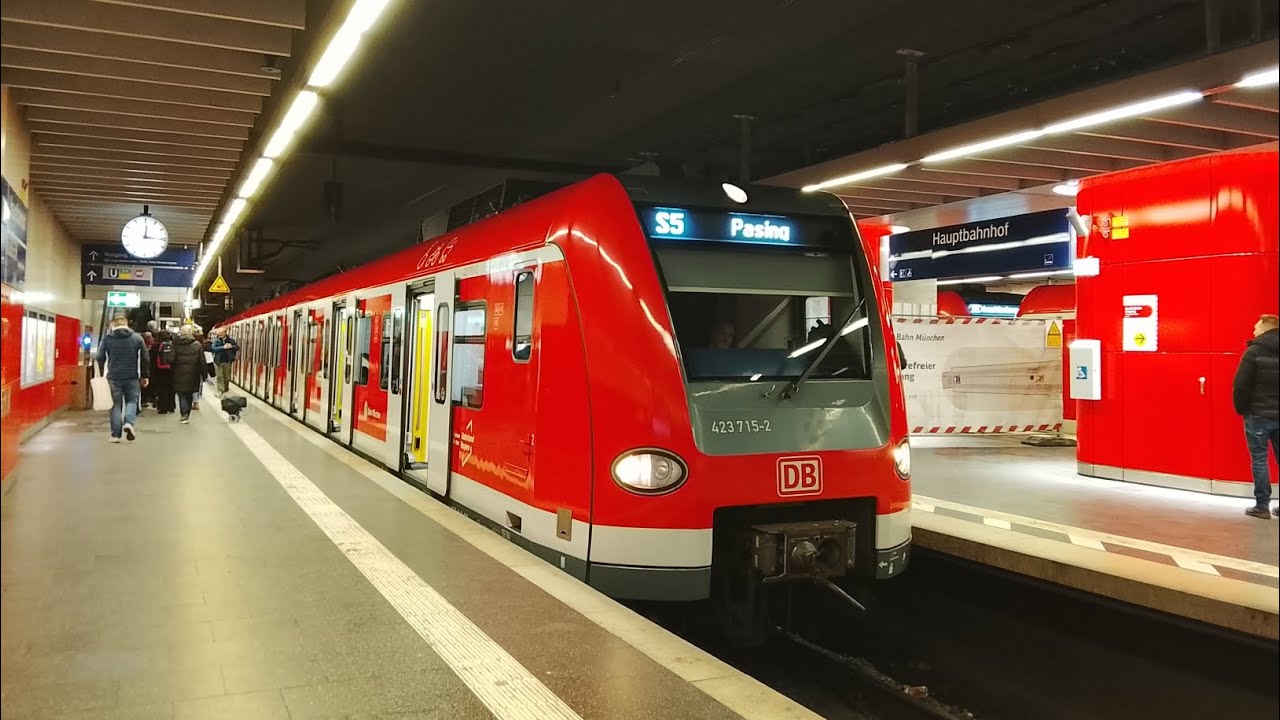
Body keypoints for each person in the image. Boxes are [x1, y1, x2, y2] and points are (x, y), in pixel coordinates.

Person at [1233, 313, 1279, 519]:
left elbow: (1241, 385)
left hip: (1258, 415)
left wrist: (1242, 410)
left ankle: (1262, 506)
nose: (1254, 331)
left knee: (1259, 460)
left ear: (1266, 328)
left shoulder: (1254, 351)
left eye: (1256, 327)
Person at [96, 313, 150, 443]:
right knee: (132, 401)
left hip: (113, 376)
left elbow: (99, 357)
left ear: (113, 325)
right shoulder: (137, 338)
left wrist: (102, 370)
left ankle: (115, 435)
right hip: (132, 376)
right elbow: (145, 358)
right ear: (126, 325)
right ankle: (129, 423)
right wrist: (145, 376)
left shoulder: (108, 339)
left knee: (115, 405)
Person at [171, 325, 207, 424]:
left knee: (181, 394)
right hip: (193, 374)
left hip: (178, 373)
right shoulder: (197, 345)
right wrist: (204, 375)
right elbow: (202, 361)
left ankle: (184, 414)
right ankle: (187, 413)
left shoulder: (175, 344)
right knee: (190, 394)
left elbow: (171, 359)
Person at [152, 330, 177, 414]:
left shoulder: (156, 346)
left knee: (162, 388)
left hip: (160, 370)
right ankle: (171, 406)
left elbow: (152, 359)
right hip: (171, 368)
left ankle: (163, 407)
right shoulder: (173, 345)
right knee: (171, 387)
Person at [211, 328, 239, 395]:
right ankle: (220, 390)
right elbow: (213, 349)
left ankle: (225, 389)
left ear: (225, 333)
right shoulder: (216, 341)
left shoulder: (230, 340)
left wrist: (231, 346)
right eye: (219, 332)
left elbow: (237, 347)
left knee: (226, 377)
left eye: (222, 332)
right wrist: (223, 347)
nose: (220, 334)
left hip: (227, 361)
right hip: (218, 361)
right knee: (219, 376)